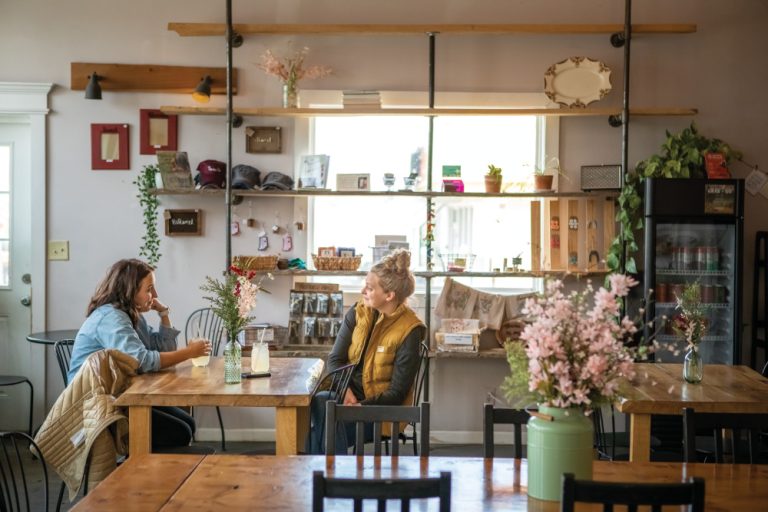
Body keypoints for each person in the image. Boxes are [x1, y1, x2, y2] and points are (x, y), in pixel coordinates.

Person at [68, 258, 211, 449]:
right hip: (96, 404)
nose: (155, 294)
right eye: (149, 289)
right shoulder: (111, 318)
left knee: (188, 424)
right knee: (179, 432)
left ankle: (155, 472)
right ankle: (141, 473)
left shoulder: (130, 314)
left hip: (122, 394)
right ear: (129, 290)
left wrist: (164, 313)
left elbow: (162, 351)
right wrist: (190, 352)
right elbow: (143, 361)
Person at [307, 249, 426, 454]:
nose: (363, 291)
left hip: (381, 411)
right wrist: (347, 394)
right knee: (321, 401)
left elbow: (396, 394)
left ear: (389, 295)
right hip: (345, 397)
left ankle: (327, 478)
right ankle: (335, 478)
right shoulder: (358, 311)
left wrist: (359, 407)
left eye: (369, 288)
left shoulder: (410, 330)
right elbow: (334, 359)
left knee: (317, 432)